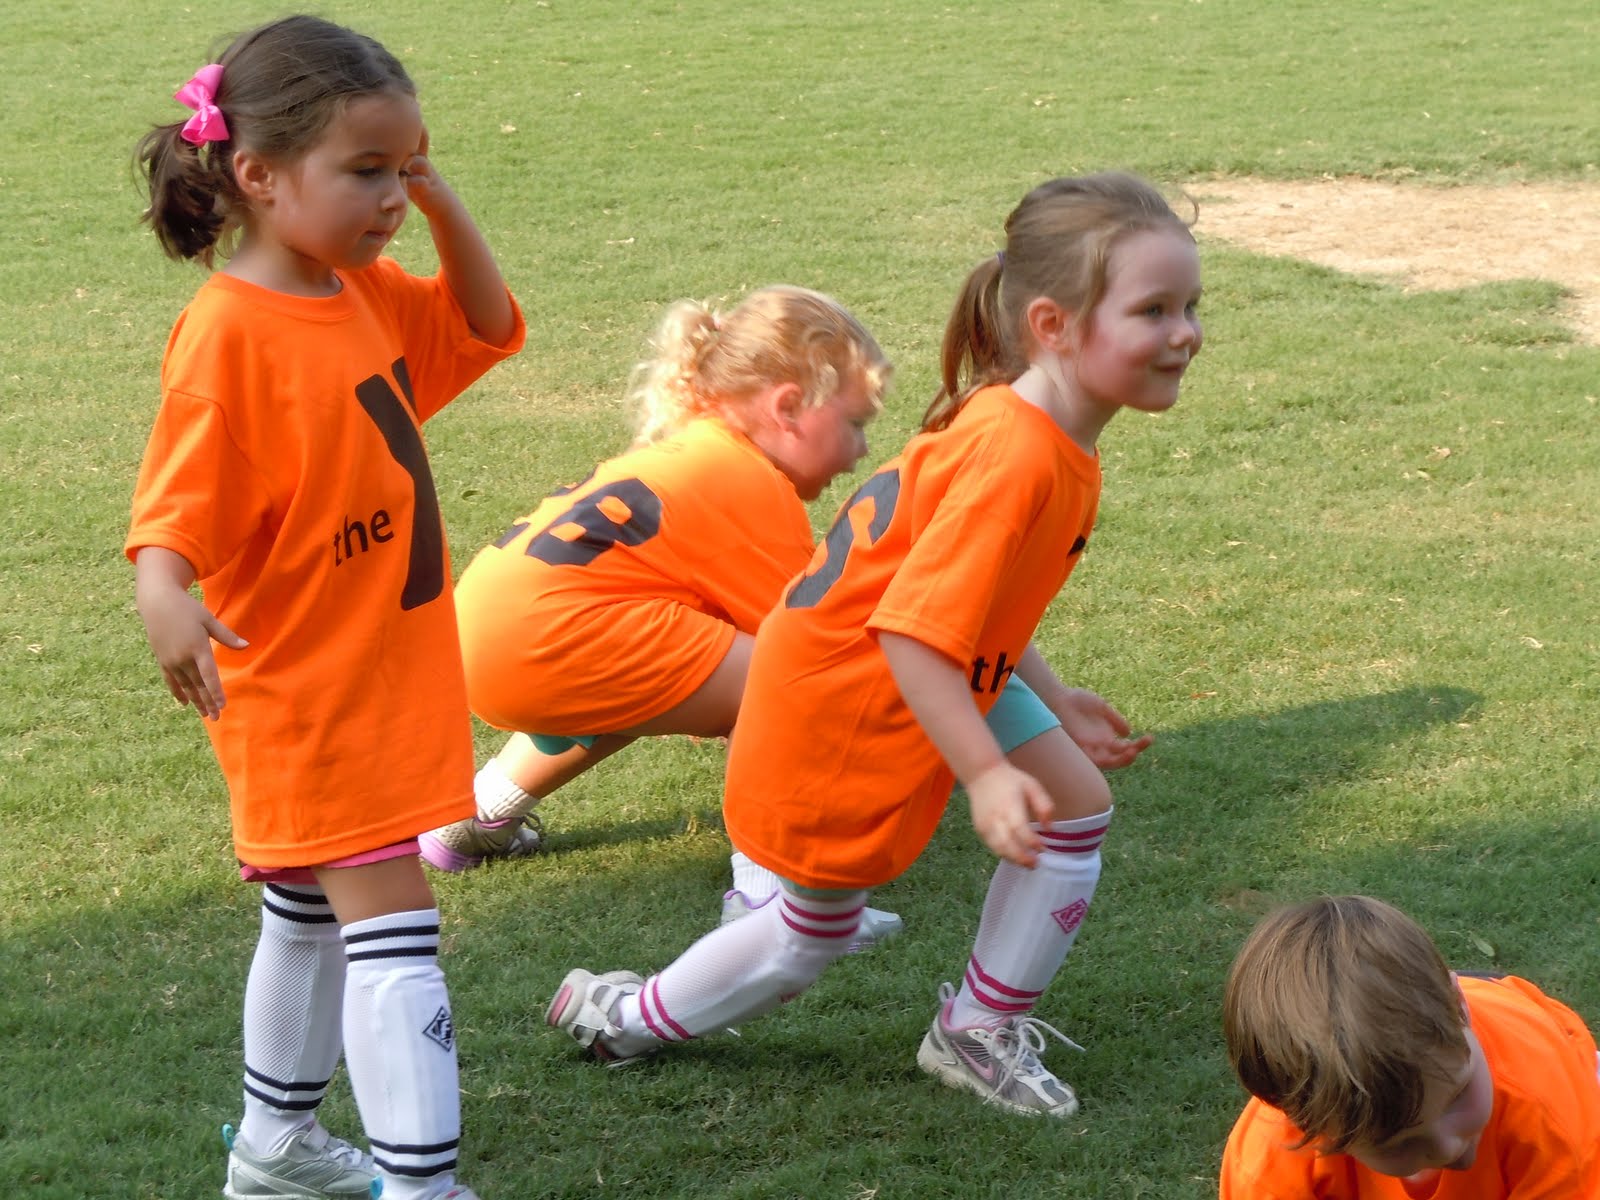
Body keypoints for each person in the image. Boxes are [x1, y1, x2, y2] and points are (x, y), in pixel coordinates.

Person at [544, 171, 1199, 1117]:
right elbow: (913, 634)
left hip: (891, 667)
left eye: (1190, 306)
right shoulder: (1017, 452)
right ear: (1053, 325)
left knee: (1074, 808)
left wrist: (1052, 697)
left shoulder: (1039, 424)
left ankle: (975, 1030)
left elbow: (972, 596)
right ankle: (624, 1017)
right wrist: (981, 772)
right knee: (805, 936)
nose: (1186, 333)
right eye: (1154, 309)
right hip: (842, 702)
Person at [127, 15, 522, 1199]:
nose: (392, 195)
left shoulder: (356, 287)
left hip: (378, 668)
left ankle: (276, 1149)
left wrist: (443, 206)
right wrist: (164, 590)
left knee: (305, 914)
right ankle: (423, 1184)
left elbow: (486, 327)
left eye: (404, 169)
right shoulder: (228, 332)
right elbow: (174, 502)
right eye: (366, 172)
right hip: (308, 684)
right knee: (396, 940)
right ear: (256, 174)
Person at [421, 285, 903, 947]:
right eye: (854, 424)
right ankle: (767, 897)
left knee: (665, 673)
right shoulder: (750, 482)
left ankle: (473, 814)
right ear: (788, 407)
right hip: (548, 634)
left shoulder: (694, 450)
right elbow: (809, 654)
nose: (861, 451)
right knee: (784, 681)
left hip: (480, 633)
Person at [1219, 895, 1600, 1199]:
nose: (1448, 1147)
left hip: (1545, 1045)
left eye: (1458, 1096)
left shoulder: (1546, 1112)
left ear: (1458, 1006)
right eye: (1397, 1143)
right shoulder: (1267, 1166)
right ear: (1308, 1125)